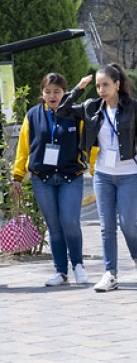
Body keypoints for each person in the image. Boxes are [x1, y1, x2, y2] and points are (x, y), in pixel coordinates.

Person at [57, 63, 137, 292]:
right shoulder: (91, 106)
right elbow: (62, 110)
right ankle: (110, 273)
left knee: (128, 223)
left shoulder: (132, 107)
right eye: (98, 85)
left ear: (117, 84)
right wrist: (79, 88)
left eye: (105, 85)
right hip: (103, 174)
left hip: (129, 174)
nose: (101, 89)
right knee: (107, 227)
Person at [12, 72, 88, 287]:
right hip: (42, 178)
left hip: (71, 175)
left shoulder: (75, 113)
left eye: (57, 92)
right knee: (54, 226)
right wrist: (17, 175)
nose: (52, 96)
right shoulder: (33, 115)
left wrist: (96, 165)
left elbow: (88, 143)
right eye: (48, 92)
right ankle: (60, 271)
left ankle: (78, 266)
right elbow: (24, 147)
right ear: (41, 93)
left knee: (70, 221)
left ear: (65, 92)